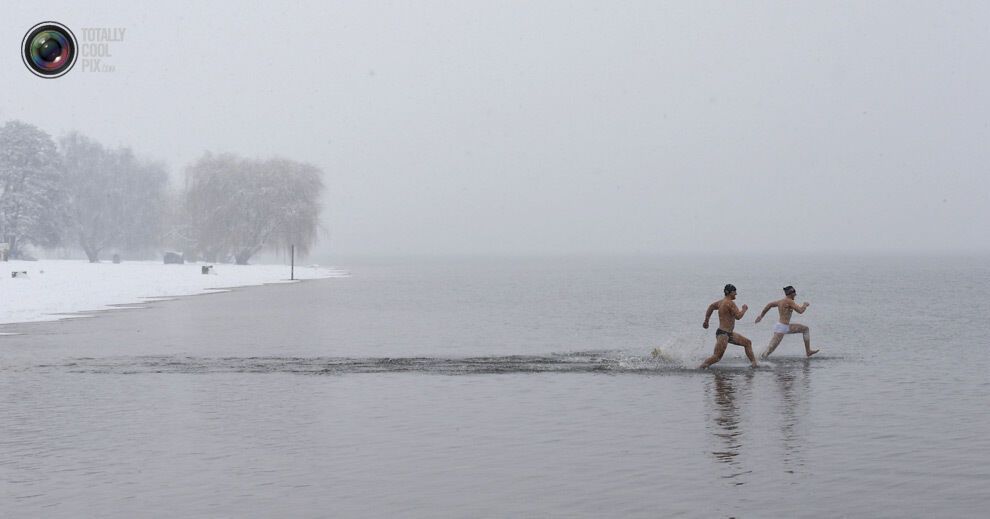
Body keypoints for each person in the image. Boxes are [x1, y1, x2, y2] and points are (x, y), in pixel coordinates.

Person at [700, 284, 758, 369]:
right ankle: (700, 368)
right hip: (723, 334)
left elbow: (711, 307)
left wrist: (706, 320)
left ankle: (754, 364)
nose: (736, 294)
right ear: (728, 292)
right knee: (717, 357)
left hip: (728, 334)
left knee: (747, 343)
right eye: (734, 292)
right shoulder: (730, 303)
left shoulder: (721, 302)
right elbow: (738, 316)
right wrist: (744, 309)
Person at [754, 285, 820, 359]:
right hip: (782, 328)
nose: (795, 295)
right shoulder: (790, 301)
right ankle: (756, 360)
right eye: (794, 293)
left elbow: (769, 305)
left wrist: (761, 316)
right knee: (768, 352)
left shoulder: (780, 301)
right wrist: (805, 305)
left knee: (805, 329)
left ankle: (808, 351)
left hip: (783, 326)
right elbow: (800, 311)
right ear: (790, 293)